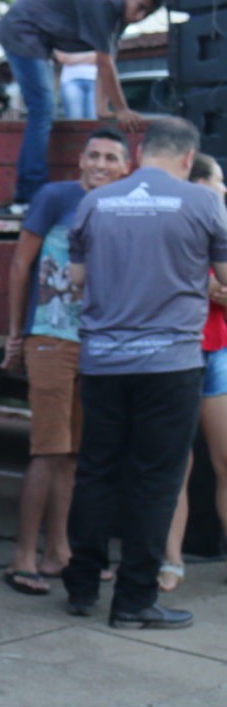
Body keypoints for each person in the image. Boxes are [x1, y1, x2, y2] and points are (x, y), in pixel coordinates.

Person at [63, 117, 227, 629]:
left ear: (140, 153)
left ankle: (81, 587)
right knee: (157, 480)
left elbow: (76, 279)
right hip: (169, 364)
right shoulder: (204, 202)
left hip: (103, 360)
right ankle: (134, 602)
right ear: (188, 158)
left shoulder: (96, 202)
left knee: (96, 471)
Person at [0, 128, 131, 596]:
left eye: (111, 158)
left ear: (126, 168)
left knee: (73, 454)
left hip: (96, 342)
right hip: (51, 336)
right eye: (94, 155)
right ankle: (23, 558)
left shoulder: (121, 207)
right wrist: (17, 332)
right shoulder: (56, 197)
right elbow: (21, 264)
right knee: (47, 450)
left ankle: (60, 552)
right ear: (80, 160)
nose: (100, 164)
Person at [0, 0, 163, 206]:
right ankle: (30, 193)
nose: (139, 17)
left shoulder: (119, 16)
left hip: (41, 38)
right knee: (42, 109)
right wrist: (121, 109)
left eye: (147, 14)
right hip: (21, 30)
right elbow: (104, 62)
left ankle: (31, 190)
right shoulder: (105, 2)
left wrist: (102, 109)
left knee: (45, 109)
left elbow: (107, 61)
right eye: (140, 7)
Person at [160, 153, 227, 592]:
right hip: (178, 352)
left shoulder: (222, 225)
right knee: (175, 466)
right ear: (200, 184)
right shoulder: (174, 222)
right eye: (220, 180)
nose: (225, 189)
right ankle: (172, 561)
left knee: (226, 462)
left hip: (217, 351)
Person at [56, 51, 98, 120]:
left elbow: (102, 57)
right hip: (70, 80)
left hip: (96, 80)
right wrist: (90, 57)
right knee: (75, 120)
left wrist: (72, 59)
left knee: (94, 121)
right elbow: (62, 58)